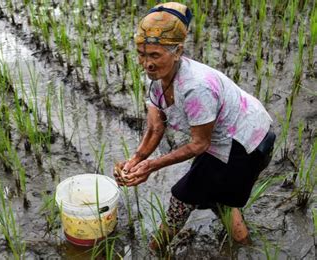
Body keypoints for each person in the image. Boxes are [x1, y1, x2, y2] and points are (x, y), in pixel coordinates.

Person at [113, 2, 276, 253]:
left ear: (177, 51)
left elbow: (200, 144)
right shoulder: (157, 79)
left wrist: (152, 165)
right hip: (225, 140)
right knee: (218, 197)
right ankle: (243, 246)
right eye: (142, 54)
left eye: (155, 55)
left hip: (245, 141)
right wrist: (135, 159)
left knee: (183, 195)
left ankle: (155, 250)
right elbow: (156, 127)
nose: (147, 64)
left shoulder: (195, 87)